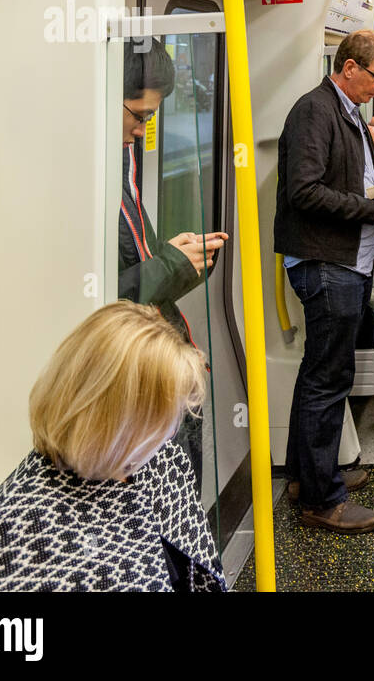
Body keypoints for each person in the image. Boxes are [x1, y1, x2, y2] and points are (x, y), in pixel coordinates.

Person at [0, 302, 224, 591]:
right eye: (163, 419)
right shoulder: (13, 534)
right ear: (118, 421)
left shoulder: (163, 462)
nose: (173, 431)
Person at [275, 29, 374, 533]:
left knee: (321, 373)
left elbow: (347, 183)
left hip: (345, 260)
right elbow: (305, 191)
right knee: (327, 379)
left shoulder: (347, 113)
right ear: (349, 67)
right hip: (324, 261)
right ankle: (320, 499)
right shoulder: (315, 110)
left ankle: (307, 475)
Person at [120, 38, 227, 483]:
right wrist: (169, 265)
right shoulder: (77, 174)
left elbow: (133, 257)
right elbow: (105, 289)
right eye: (139, 116)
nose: (143, 131)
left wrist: (173, 256)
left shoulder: (121, 162)